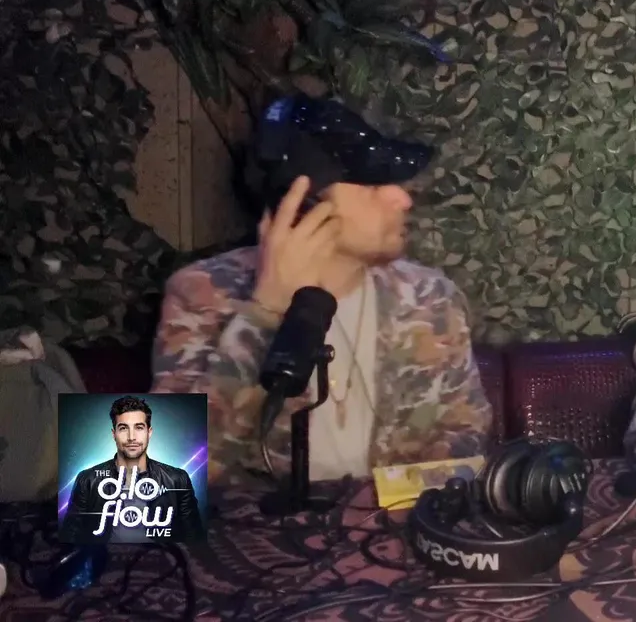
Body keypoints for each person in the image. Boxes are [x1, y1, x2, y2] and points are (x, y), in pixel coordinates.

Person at [151, 95, 493, 485]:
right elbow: (162, 477)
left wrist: (390, 501)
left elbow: (466, 433)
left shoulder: (430, 297)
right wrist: (267, 310)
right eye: (371, 184)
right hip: (265, 522)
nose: (402, 198)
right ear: (303, 203)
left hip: (393, 519)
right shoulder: (202, 293)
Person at [62, 396, 204, 544]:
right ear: (114, 434)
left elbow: (193, 538)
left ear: (149, 432)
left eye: (139, 427)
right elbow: (70, 538)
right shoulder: (88, 480)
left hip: (161, 556)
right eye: (123, 428)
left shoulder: (177, 480)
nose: (131, 437)